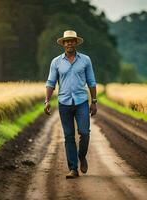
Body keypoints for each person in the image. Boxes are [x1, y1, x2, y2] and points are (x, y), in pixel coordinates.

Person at [44, 30, 97, 179]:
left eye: (72, 40)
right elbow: (50, 83)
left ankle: (81, 156)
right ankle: (73, 169)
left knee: (84, 132)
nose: (69, 43)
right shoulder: (56, 62)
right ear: (63, 44)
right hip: (64, 103)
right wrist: (47, 101)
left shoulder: (85, 60)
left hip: (81, 102)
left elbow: (91, 82)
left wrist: (94, 101)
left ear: (76, 42)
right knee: (68, 136)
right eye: (67, 41)